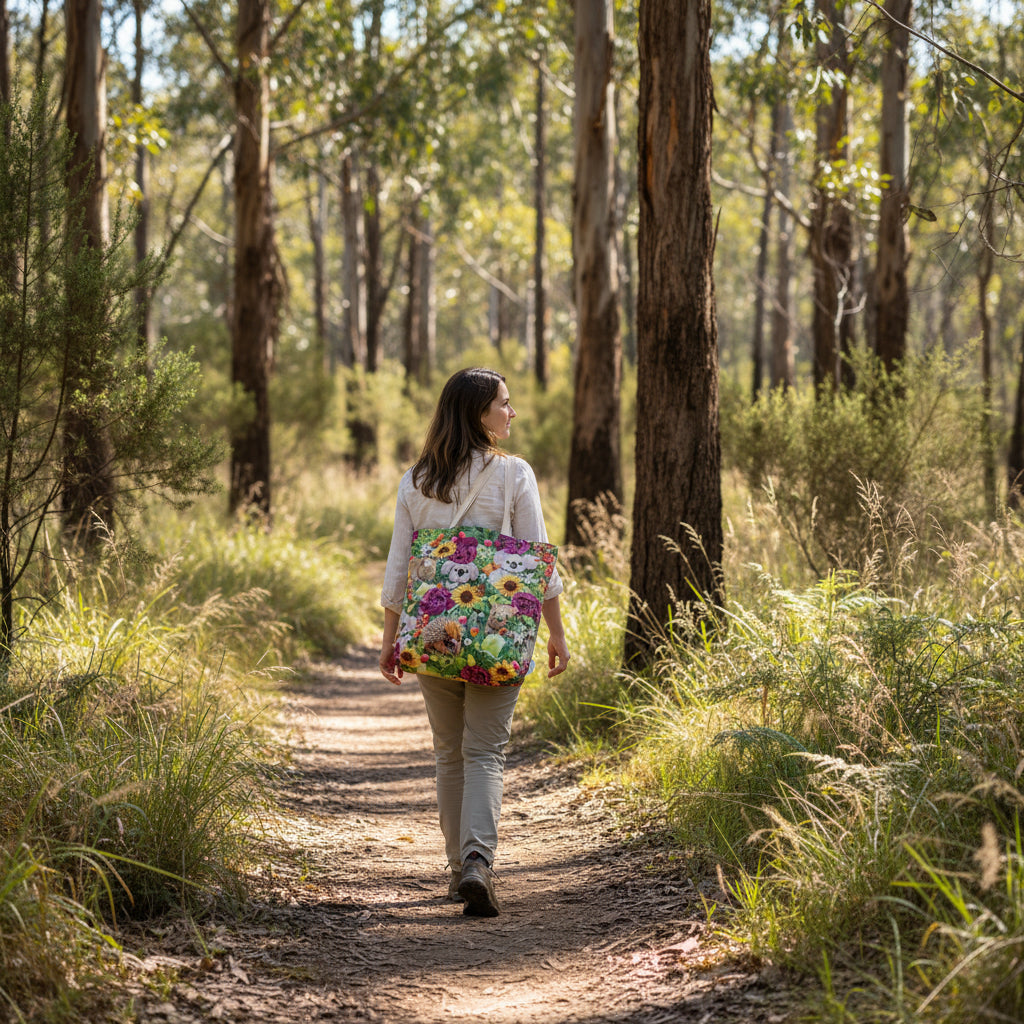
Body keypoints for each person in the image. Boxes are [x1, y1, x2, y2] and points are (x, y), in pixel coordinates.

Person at [379, 367, 570, 917]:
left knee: (448, 753)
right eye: (503, 404)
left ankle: (454, 869)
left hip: (434, 631)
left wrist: (391, 640)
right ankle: (476, 863)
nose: (511, 413)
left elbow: (398, 571)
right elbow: (537, 561)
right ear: (477, 412)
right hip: (496, 637)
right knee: (485, 749)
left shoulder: (416, 480)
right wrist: (555, 632)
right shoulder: (514, 475)